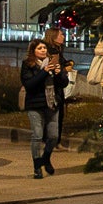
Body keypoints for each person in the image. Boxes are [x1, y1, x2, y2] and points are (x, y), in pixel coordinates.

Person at [20, 39, 70, 179]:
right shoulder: (28, 65)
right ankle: (37, 166)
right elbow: (29, 84)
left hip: (52, 104)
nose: (42, 50)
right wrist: (44, 72)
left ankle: (46, 157)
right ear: (33, 51)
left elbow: (64, 83)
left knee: (53, 136)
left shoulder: (53, 63)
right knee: (37, 135)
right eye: (39, 48)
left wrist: (59, 73)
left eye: (44, 48)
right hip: (35, 105)